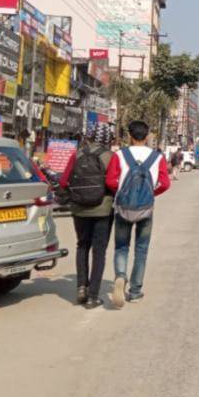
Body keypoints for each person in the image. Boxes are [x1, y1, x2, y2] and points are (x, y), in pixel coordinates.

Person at [105, 120, 171, 308]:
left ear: (129, 135)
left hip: (123, 208)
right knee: (141, 250)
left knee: (121, 247)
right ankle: (135, 291)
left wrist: (123, 192)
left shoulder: (120, 155)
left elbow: (110, 181)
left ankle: (120, 276)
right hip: (146, 209)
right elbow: (165, 183)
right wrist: (150, 193)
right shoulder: (157, 157)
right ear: (148, 136)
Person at [59, 123, 114, 309]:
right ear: (107, 139)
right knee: (99, 251)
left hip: (79, 208)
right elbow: (114, 183)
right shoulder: (110, 156)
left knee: (82, 245)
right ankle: (93, 296)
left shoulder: (77, 155)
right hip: (102, 209)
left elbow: (64, 181)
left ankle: (81, 287)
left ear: (89, 137)